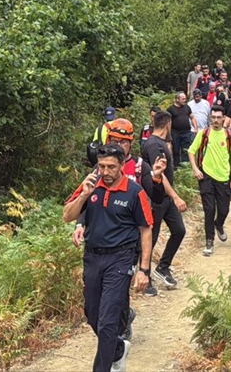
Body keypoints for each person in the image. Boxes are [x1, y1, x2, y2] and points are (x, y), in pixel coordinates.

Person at [63, 142, 153, 372]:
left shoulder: (135, 192)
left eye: (111, 167)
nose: (106, 172)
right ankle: (118, 350)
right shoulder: (91, 184)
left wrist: (144, 270)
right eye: (102, 166)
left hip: (120, 259)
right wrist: (84, 195)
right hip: (92, 257)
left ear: (122, 165)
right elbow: (67, 215)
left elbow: (146, 229)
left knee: (107, 323)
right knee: (92, 314)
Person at [140, 111, 188, 290]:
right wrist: (176, 196)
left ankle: (163, 266)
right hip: (156, 198)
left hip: (166, 199)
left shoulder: (159, 143)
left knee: (179, 230)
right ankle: (145, 276)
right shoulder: (154, 145)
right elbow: (158, 174)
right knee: (150, 238)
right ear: (168, 124)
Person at [187, 106, 231, 257]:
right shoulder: (204, 134)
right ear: (210, 118)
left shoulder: (230, 135)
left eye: (218, 117)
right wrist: (195, 169)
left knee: (223, 210)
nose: (216, 120)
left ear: (224, 118)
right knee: (209, 210)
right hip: (206, 177)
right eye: (213, 117)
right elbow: (191, 151)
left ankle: (219, 225)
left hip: (223, 177)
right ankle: (209, 241)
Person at [166, 92, 194, 168]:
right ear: (177, 99)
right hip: (175, 133)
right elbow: (168, 123)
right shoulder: (170, 109)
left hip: (186, 133)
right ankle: (176, 167)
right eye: (183, 99)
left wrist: (196, 128)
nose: (185, 100)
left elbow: (192, 117)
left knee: (186, 150)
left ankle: (185, 167)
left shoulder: (187, 107)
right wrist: (168, 135)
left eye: (185, 99)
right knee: (176, 151)